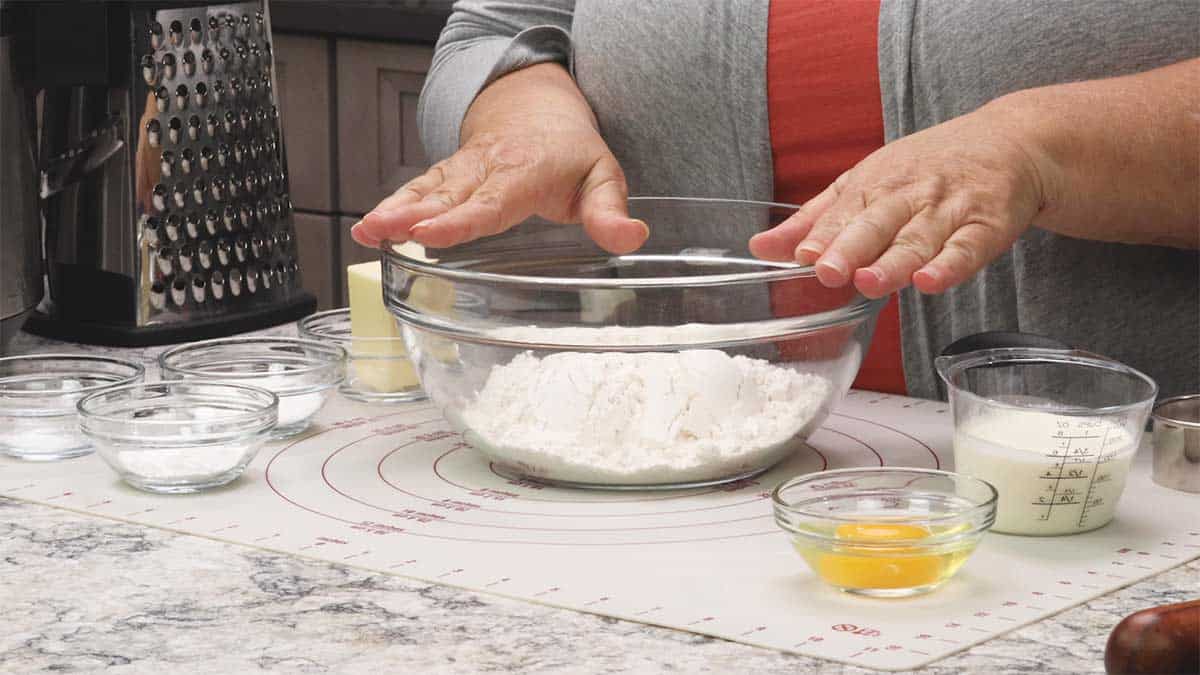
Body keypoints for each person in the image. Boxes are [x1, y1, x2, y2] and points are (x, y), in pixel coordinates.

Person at [351, 1, 1199, 399]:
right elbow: (489, 31)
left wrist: (1044, 143)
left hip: (1134, 487)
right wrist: (522, 105)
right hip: (662, 454)